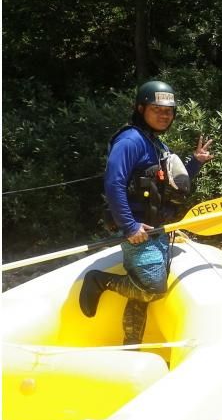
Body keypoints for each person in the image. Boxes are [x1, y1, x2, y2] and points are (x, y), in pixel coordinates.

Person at [79, 80, 214, 344]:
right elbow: (114, 183)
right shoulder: (130, 141)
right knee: (152, 288)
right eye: (157, 109)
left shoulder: (155, 143)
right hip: (139, 229)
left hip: (157, 227)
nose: (164, 115)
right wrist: (129, 227)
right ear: (140, 108)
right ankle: (99, 281)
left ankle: (131, 344)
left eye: (169, 111)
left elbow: (170, 183)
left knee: (139, 292)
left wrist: (194, 164)